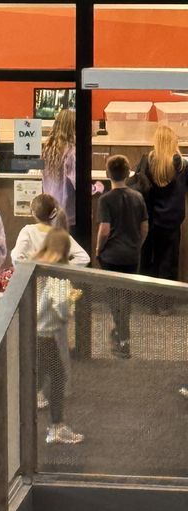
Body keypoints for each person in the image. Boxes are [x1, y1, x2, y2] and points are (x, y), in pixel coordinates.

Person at [34, 229, 84, 445]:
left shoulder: (38, 267)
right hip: (46, 336)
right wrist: (73, 298)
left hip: (33, 333)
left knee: (41, 377)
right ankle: (56, 427)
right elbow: (63, 312)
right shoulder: (58, 276)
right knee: (58, 378)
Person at [95, 154, 148, 359]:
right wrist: (137, 245)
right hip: (132, 256)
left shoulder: (105, 199)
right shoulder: (138, 197)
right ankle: (122, 334)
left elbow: (105, 229)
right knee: (126, 298)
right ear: (128, 173)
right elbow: (144, 227)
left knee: (114, 298)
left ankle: (122, 340)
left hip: (111, 256)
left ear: (108, 174)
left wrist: (99, 249)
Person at [134, 124, 188, 282]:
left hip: (151, 220)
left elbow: (139, 185)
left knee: (149, 260)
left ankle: (148, 299)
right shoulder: (183, 165)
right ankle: (166, 302)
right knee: (169, 263)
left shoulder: (147, 162)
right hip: (172, 222)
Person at [11, 193, 90, 266]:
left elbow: (16, 257)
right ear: (53, 213)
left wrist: (30, 266)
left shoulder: (27, 231)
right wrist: (63, 266)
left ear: (33, 213)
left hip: (32, 277)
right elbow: (84, 258)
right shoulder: (61, 234)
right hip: (55, 279)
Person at [41, 108, 76, 227]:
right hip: (68, 215)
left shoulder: (47, 149)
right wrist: (97, 188)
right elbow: (78, 183)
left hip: (50, 212)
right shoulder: (71, 152)